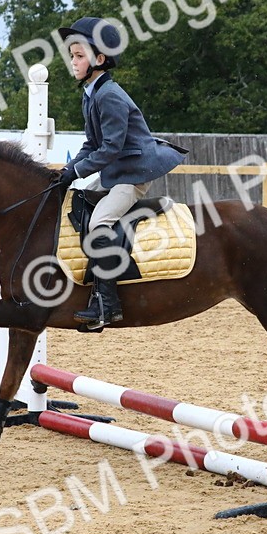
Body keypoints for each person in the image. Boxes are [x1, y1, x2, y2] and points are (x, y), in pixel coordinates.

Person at [51, 17, 187, 330]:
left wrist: (75, 172)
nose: (73, 61)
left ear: (100, 60)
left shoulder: (108, 95)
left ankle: (107, 305)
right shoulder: (91, 93)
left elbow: (110, 149)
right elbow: (91, 145)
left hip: (132, 173)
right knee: (80, 202)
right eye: (71, 55)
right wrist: (68, 171)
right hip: (117, 169)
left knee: (100, 222)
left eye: (79, 55)